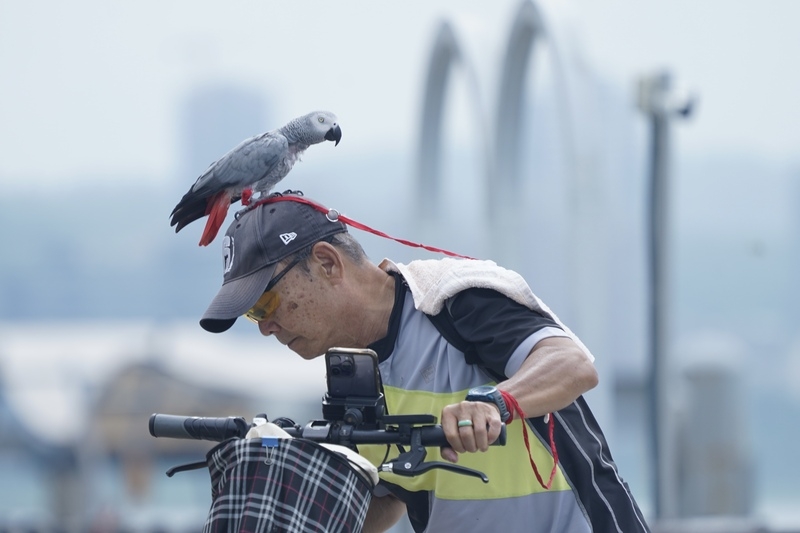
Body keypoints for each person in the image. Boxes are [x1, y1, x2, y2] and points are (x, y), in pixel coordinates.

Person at [198, 191, 649, 533]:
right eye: (254, 314)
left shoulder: (455, 300)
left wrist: (494, 404)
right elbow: (390, 493)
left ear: (327, 262)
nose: (264, 326)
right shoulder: (352, 373)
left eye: (265, 303)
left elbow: (572, 364)